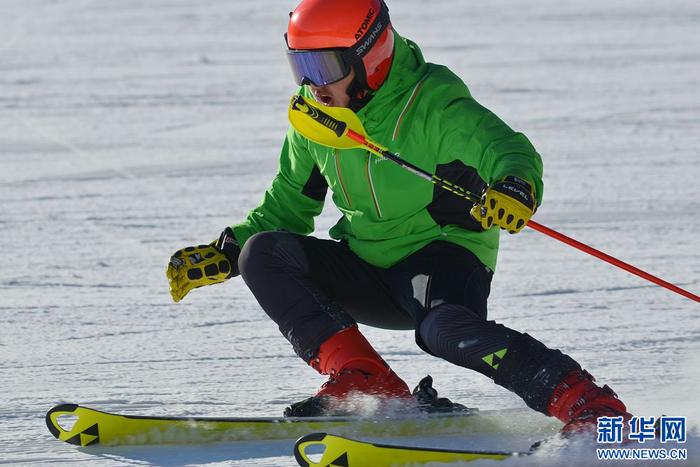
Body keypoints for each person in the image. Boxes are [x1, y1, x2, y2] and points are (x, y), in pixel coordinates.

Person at [167, 0, 630, 431]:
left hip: (441, 259)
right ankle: (365, 378)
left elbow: (505, 149)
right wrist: (226, 251)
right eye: (300, 67)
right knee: (262, 253)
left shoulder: (434, 102)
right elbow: (289, 203)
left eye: (324, 66)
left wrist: (514, 186)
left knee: (442, 330)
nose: (313, 84)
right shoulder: (315, 119)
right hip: (367, 268)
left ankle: (591, 407)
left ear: (368, 56)